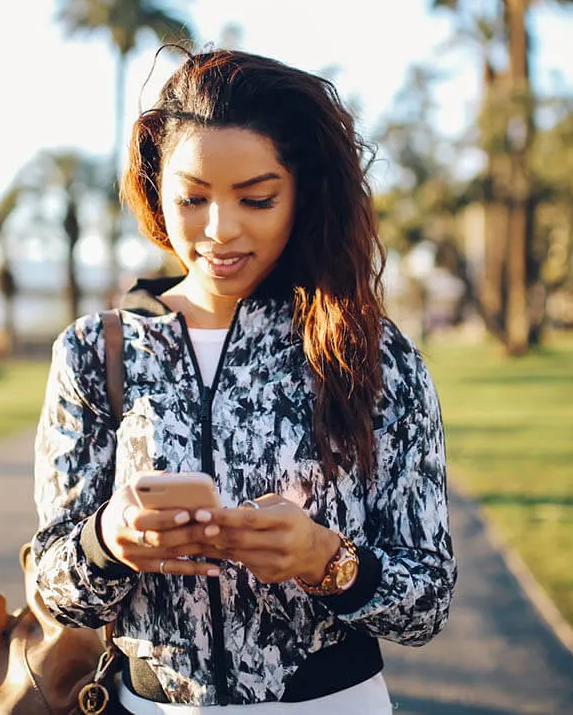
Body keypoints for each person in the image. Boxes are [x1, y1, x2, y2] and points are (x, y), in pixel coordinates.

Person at [32, 49, 456, 712]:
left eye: (256, 198)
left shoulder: (374, 355)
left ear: (300, 193)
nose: (220, 229)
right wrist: (112, 537)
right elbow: (56, 588)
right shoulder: (95, 352)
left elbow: (428, 602)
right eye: (192, 198)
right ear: (156, 189)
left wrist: (328, 560)